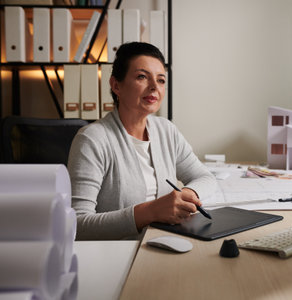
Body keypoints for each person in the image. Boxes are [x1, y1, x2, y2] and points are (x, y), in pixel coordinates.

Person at [67, 42, 217, 240]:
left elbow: (206, 178)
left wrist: (185, 195)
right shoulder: (92, 140)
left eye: (161, 80)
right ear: (116, 85)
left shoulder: (166, 130)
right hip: (116, 253)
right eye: (142, 77)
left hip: (163, 243)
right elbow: (77, 225)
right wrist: (151, 212)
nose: (154, 87)